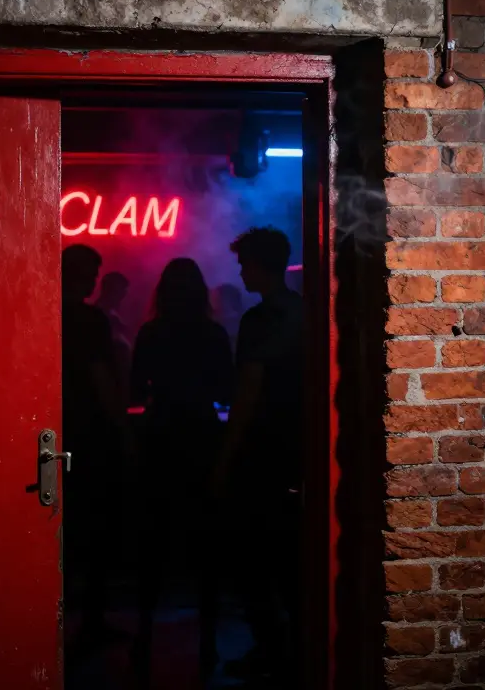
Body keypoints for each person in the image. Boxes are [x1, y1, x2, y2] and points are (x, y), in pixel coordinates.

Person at [128, 258, 234, 686]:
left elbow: (136, 390)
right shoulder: (213, 334)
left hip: (161, 434)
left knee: (153, 539)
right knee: (206, 542)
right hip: (201, 435)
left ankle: (143, 636)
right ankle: (207, 641)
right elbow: (226, 390)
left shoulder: (151, 333)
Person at [213, 227, 304, 685]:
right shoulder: (305, 311)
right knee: (291, 560)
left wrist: (225, 459)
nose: (240, 273)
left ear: (259, 265)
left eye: (244, 264)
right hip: (298, 448)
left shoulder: (259, 319)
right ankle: (299, 655)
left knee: (254, 561)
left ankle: (270, 654)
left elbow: (248, 393)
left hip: (262, 453)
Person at [61, 244, 129, 656]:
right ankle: (90, 622)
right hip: (91, 436)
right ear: (84, 275)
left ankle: (56, 620)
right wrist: (123, 428)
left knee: (64, 531)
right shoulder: (91, 321)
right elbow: (102, 380)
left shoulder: (48, 312)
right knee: (95, 531)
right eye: (92, 273)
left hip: (59, 429)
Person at [95, 271, 133, 399]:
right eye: (121, 293)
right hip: (109, 384)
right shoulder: (101, 316)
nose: (122, 298)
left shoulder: (111, 314)